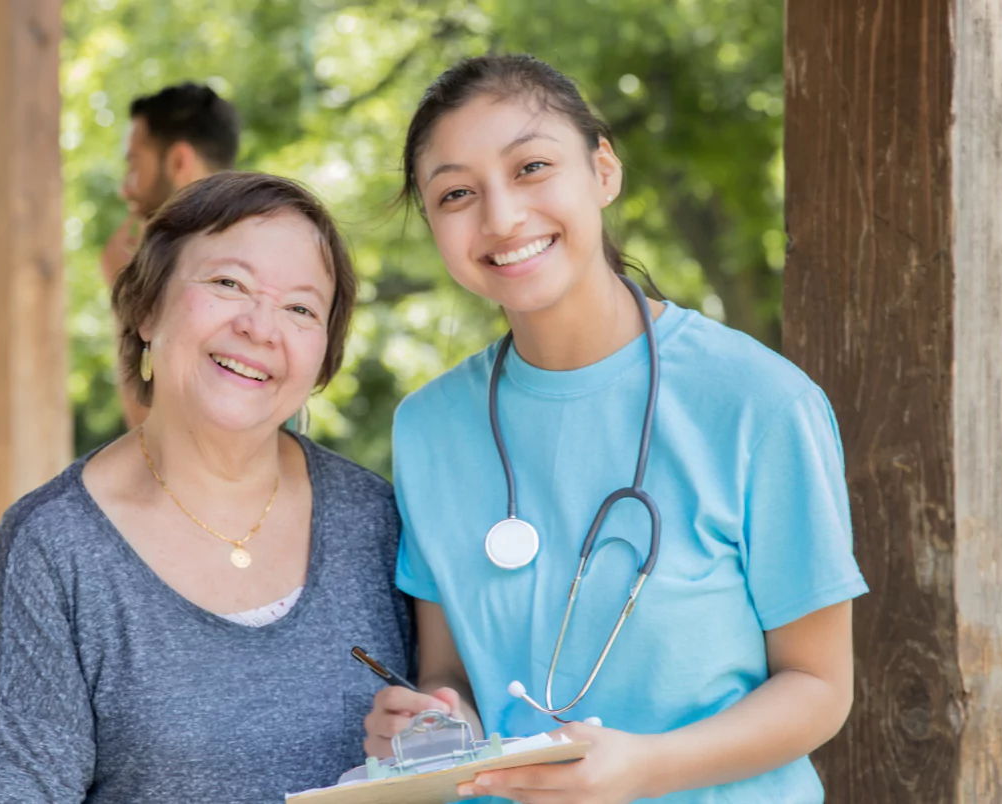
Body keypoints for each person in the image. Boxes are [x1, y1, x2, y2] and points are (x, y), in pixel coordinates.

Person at [362, 54, 868, 803]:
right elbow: (452, 671)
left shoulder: (762, 403)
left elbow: (820, 687)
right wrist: (434, 724)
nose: (501, 217)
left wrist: (644, 767)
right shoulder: (428, 427)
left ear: (603, 171)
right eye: (457, 194)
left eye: (531, 167)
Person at [0, 172, 412, 803]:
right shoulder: (53, 549)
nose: (260, 326)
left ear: (323, 356)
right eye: (228, 283)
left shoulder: (376, 518)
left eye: (301, 308)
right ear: (146, 307)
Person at [100, 81, 241, 426]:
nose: (125, 188)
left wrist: (127, 294)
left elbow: (153, 435)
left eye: (134, 164)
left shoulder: (220, 278)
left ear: (178, 161)